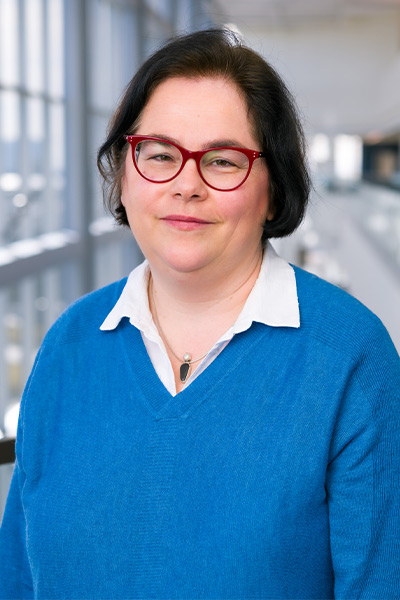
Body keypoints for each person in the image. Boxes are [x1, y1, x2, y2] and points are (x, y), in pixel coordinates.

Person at [0, 28, 399, 600]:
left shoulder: (350, 358)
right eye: (159, 154)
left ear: (273, 188)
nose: (186, 185)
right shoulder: (70, 345)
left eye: (221, 160)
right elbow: (18, 573)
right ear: (124, 174)